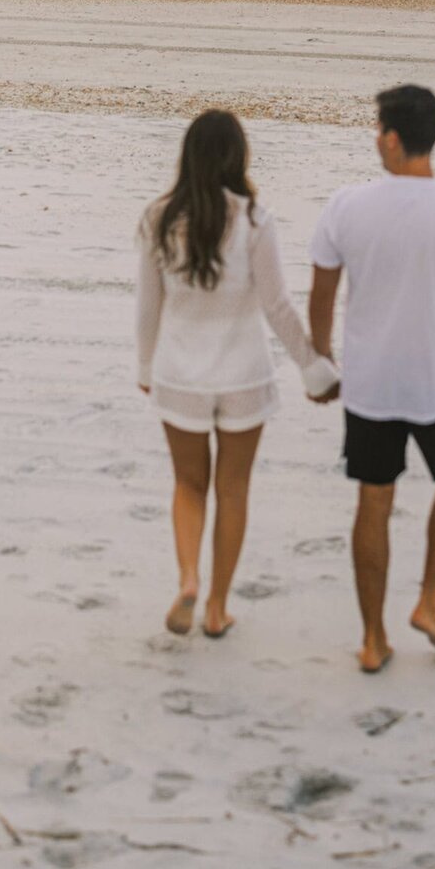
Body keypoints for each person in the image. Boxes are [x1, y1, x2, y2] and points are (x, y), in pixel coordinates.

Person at [308, 84, 435, 672]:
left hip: (370, 386)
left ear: (393, 140)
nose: (376, 139)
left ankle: (373, 640)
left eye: (378, 130)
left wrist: (322, 364)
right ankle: (428, 600)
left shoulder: (346, 206)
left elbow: (322, 296)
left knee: (374, 499)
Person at [137, 109, 340, 639]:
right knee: (233, 489)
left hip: (180, 373)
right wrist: (313, 366)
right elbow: (277, 306)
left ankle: (187, 578)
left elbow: (147, 305)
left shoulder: (158, 217)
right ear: (238, 157)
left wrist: (144, 366)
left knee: (187, 484)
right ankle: (218, 607)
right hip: (244, 377)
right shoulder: (253, 219)